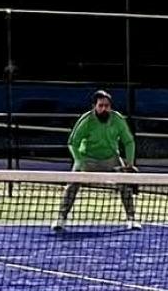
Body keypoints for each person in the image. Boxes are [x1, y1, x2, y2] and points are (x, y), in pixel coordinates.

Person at [55, 89, 138, 230]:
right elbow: (73, 142)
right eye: (101, 105)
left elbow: (129, 141)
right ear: (95, 106)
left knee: (125, 186)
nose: (104, 108)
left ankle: (131, 219)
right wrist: (79, 161)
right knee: (72, 185)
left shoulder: (117, 119)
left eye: (107, 105)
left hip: (111, 159)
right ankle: (61, 219)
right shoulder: (86, 120)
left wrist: (129, 162)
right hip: (87, 159)